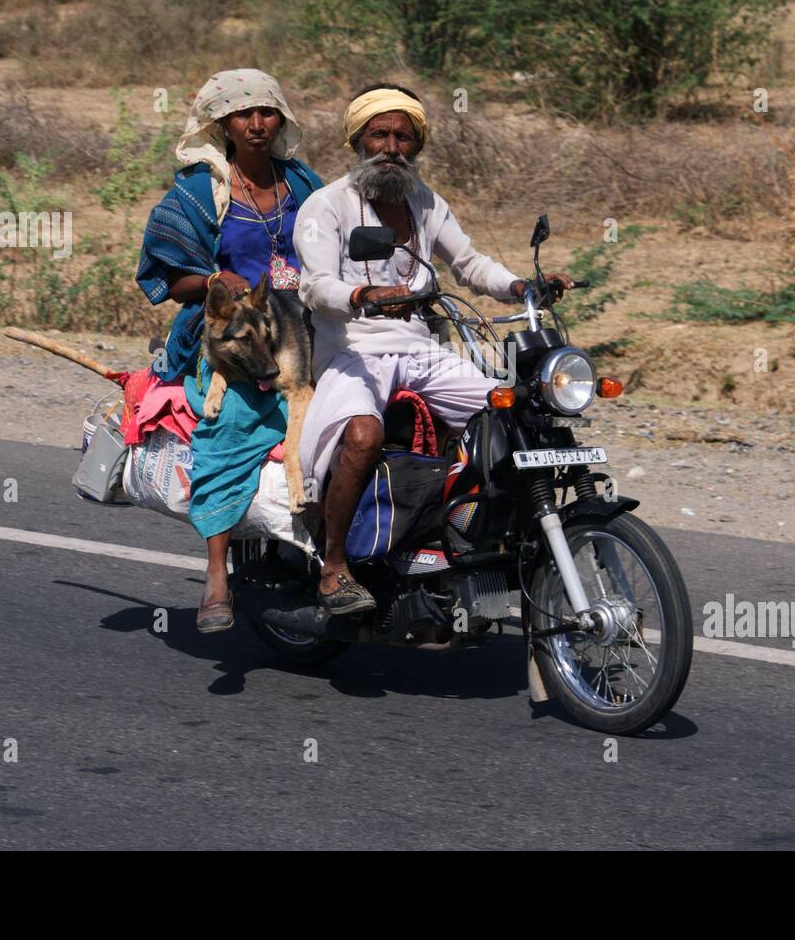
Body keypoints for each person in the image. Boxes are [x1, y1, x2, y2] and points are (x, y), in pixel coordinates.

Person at [295, 83, 570, 615]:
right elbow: (315, 287)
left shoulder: (425, 203)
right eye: (380, 134)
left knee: (508, 410)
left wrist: (520, 287)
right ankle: (334, 568)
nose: (391, 147)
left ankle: (466, 535)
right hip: (352, 350)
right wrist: (364, 295)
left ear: (416, 146)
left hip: (417, 349)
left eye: (404, 137)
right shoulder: (325, 206)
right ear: (358, 139)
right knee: (363, 432)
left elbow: (469, 264)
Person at [136, 69, 322, 632]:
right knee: (231, 423)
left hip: (307, 327)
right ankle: (216, 572)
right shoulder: (199, 192)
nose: (257, 124)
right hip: (230, 335)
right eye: (244, 115)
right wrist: (221, 281)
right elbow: (169, 281)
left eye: (267, 112)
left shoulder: (304, 183)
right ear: (222, 125)